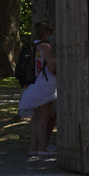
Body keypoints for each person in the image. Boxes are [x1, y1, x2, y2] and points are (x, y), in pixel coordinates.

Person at [17, 20, 57, 159]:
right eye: (50, 32)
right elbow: (52, 67)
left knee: (36, 117)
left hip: (34, 83)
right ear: (46, 33)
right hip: (44, 84)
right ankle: (42, 148)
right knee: (44, 117)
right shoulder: (45, 47)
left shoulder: (33, 46)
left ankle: (33, 147)